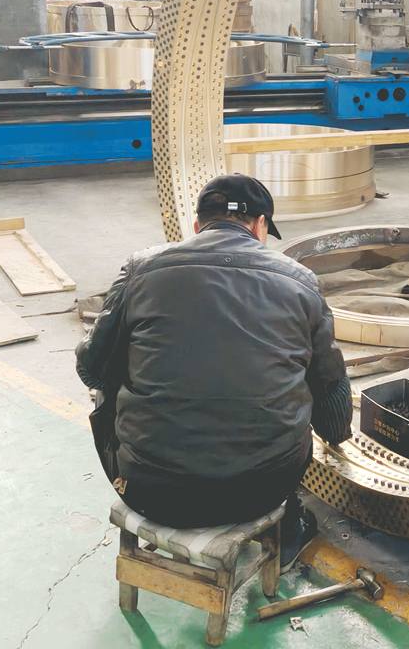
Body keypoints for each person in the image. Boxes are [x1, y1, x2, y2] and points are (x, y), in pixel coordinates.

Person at [76, 172, 351, 570]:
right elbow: (330, 387)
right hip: (263, 491)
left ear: (196, 225)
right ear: (260, 226)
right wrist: (336, 434)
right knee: (306, 378)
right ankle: (290, 522)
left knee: (108, 378)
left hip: (150, 492)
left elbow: (90, 369)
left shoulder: (141, 269)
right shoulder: (300, 281)